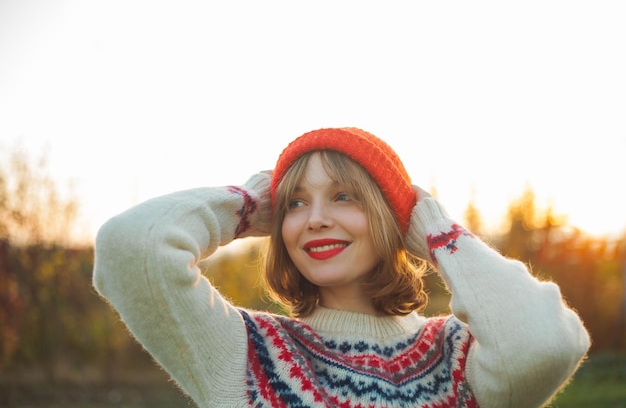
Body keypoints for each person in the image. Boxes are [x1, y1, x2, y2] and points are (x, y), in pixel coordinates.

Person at [93, 127, 590, 408]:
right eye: (295, 203)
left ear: (393, 220)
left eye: (343, 196)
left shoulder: (458, 357)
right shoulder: (247, 354)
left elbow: (549, 342)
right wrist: (250, 202)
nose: (315, 219)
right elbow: (130, 249)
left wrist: (438, 236)